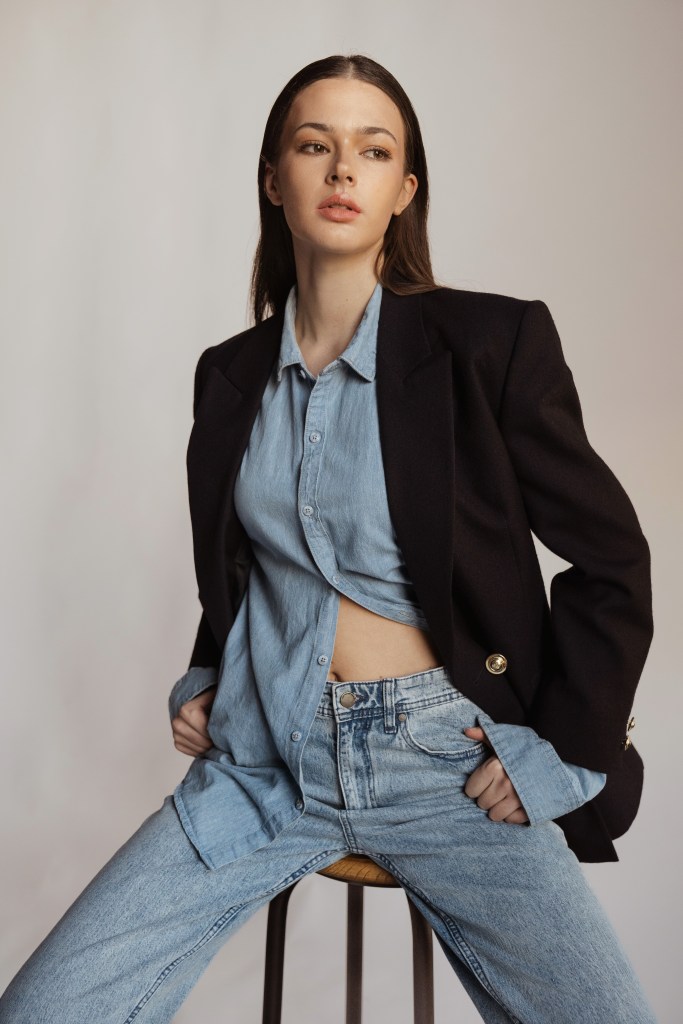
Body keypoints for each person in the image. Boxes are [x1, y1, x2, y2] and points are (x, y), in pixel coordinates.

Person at [0, 54, 657, 1024]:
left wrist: (564, 752)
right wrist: (210, 673)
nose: (343, 169)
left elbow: (610, 559)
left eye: (373, 150)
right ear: (275, 179)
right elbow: (248, 564)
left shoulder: (488, 343)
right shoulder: (229, 375)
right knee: (47, 1008)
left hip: (448, 762)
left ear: (404, 189)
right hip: (266, 757)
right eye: (315, 145)